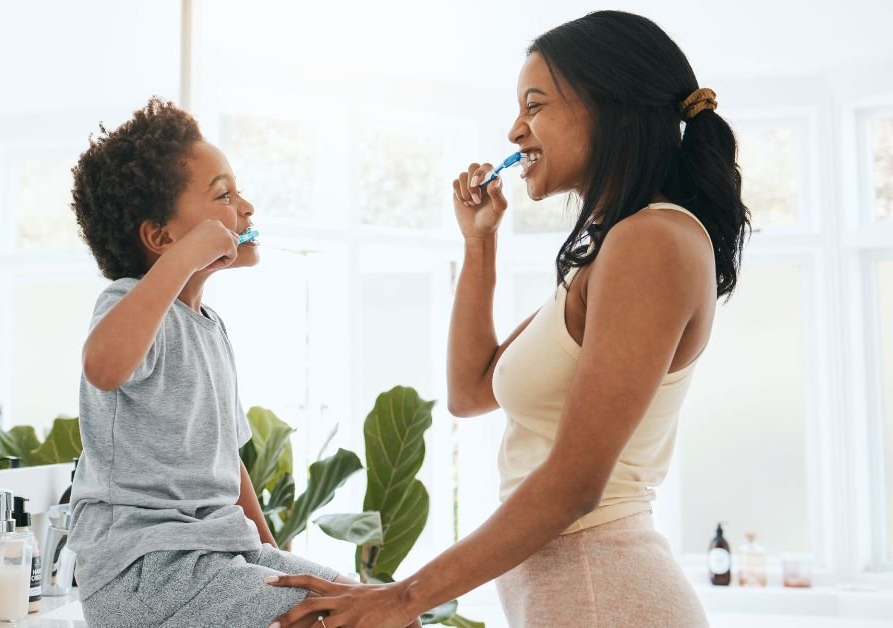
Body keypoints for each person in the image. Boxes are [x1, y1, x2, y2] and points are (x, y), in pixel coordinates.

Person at [266, 11, 749, 628]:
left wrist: (401, 598)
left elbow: (576, 485)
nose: (516, 128)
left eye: (536, 104)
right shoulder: (613, 249)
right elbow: (472, 393)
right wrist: (479, 245)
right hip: (577, 593)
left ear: (609, 105)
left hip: (605, 593)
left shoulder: (653, 240)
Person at [67, 97, 358, 628]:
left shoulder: (210, 327)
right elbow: (103, 366)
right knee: (333, 620)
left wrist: (275, 555)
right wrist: (184, 259)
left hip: (217, 558)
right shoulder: (129, 304)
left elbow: (228, 462)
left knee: (376, 607)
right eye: (223, 195)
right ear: (161, 237)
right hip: (143, 569)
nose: (245, 208)